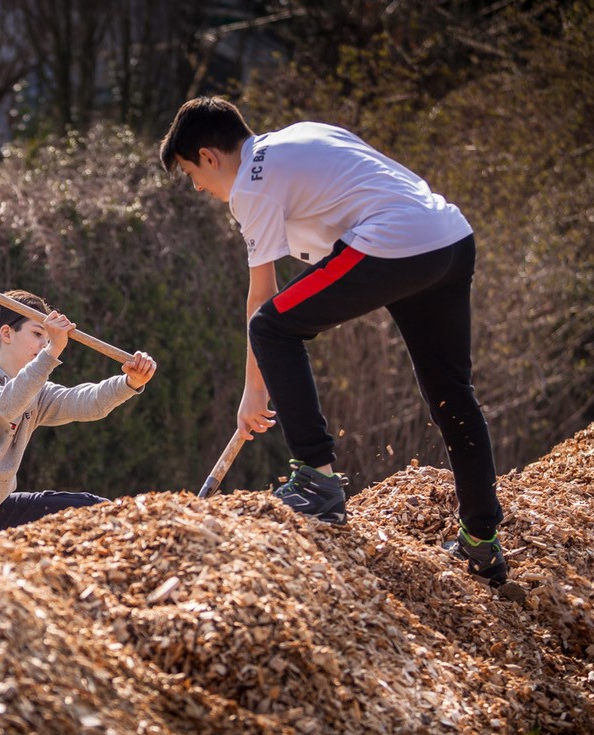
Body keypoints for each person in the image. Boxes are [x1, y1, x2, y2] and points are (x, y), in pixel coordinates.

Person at [158, 95, 511, 590]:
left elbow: (263, 297)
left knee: (269, 327)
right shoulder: (303, 133)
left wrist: (253, 392)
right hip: (449, 239)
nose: (199, 186)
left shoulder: (251, 183)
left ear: (210, 157)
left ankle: (317, 479)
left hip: (395, 242)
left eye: (193, 174)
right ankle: (482, 541)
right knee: (452, 394)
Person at [0, 290, 157, 538]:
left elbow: (84, 402)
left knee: (94, 509)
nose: (44, 344)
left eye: (47, 339)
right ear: (6, 333)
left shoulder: (36, 392)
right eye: (37, 334)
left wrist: (129, 383)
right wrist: (51, 353)